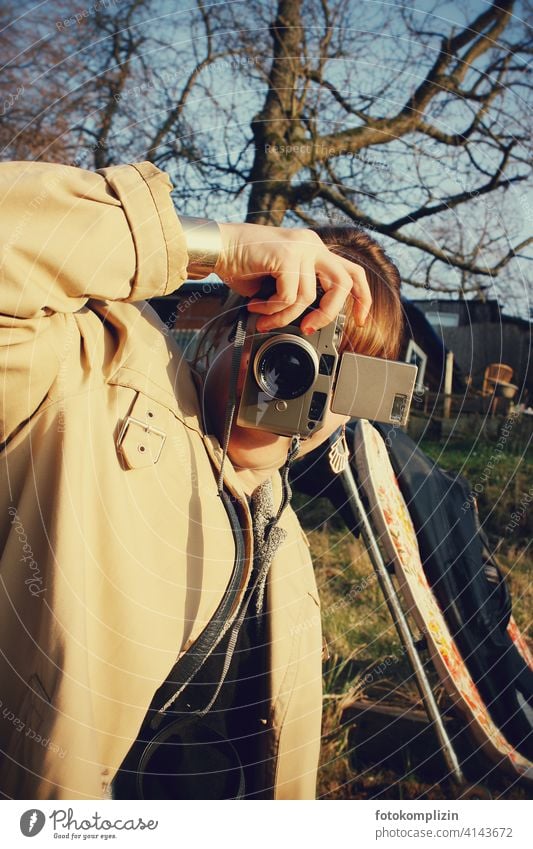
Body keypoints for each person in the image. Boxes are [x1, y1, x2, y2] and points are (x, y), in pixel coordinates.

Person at [0, 159, 402, 800]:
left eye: (335, 369)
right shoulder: (80, 378)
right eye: (282, 337)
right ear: (221, 321)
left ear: (365, 400)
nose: (292, 378)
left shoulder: (289, 549)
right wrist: (209, 244)